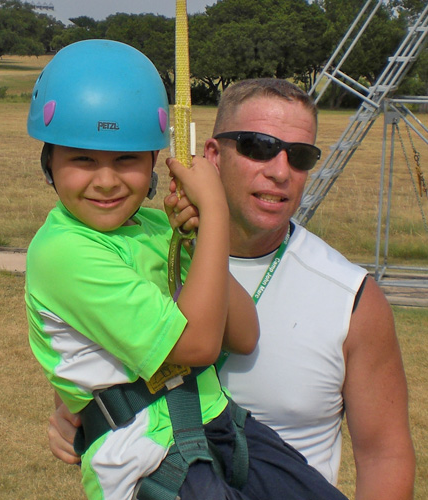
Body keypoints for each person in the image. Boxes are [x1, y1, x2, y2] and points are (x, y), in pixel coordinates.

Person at [47, 78, 416, 499]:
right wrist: (75, 416)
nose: (280, 171)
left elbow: (384, 457)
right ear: (211, 156)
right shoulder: (141, 254)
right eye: (257, 146)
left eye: (300, 157)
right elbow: (88, 368)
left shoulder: (352, 299)